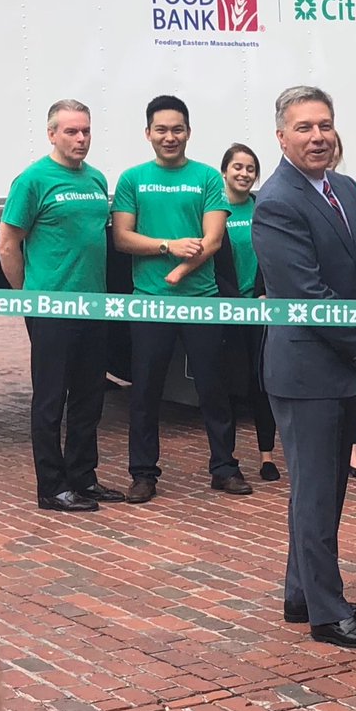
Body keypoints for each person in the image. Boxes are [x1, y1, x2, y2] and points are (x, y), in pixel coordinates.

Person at [252, 85, 356, 648]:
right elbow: (307, 295)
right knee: (317, 493)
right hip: (307, 374)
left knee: (320, 491)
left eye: (324, 124)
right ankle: (328, 614)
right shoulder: (276, 202)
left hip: (341, 373)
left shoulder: (345, 189)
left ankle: (303, 593)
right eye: (304, 128)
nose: (318, 136)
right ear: (281, 137)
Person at [111, 95, 243, 504]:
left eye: (178, 129)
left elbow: (215, 239)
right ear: (148, 133)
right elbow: (122, 238)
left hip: (201, 301)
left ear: (189, 131)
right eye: (162, 129)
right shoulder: (132, 179)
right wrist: (169, 246)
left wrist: (182, 268)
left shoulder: (206, 178)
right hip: (149, 301)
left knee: (213, 388)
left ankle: (224, 467)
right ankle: (143, 473)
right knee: (145, 390)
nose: (170, 137)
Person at [0, 99, 124, 512]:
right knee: (51, 400)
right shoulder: (33, 180)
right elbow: (7, 244)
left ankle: (83, 478)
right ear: (52, 134)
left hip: (94, 307)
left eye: (86, 130)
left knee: (90, 398)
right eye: (71, 131)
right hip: (52, 309)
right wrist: (29, 297)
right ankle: (51, 487)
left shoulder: (95, 180)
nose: (81, 138)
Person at [214, 143, 279, 482]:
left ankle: (267, 456)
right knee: (225, 385)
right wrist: (233, 300)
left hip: (261, 308)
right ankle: (226, 459)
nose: (244, 173)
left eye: (250, 168)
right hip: (226, 308)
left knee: (262, 383)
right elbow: (212, 261)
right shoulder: (213, 211)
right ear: (224, 171)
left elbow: (272, 255)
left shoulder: (262, 208)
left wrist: (263, 292)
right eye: (237, 167)